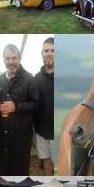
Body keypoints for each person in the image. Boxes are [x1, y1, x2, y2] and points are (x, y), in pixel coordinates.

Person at [0, 44, 38, 176]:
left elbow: (36, 104)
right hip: (3, 133)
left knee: (19, 168)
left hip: (21, 134)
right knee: (4, 169)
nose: (11, 62)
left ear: (19, 59)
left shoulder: (29, 79)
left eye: (14, 58)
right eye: (7, 58)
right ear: (3, 59)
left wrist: (16, 106)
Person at [36, 37, 55, 174]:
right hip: (41, 130)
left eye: (53, 50)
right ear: (41, 54)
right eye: (46, 50)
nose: (49, 53)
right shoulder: (35, 79)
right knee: (46, 160)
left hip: (61, 132)